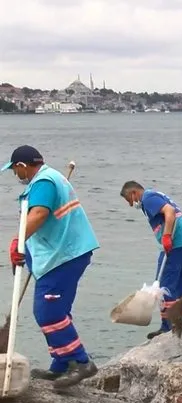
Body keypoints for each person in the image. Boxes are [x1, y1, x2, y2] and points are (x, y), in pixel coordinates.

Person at [3, 145, 99, 389]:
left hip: (63, 256)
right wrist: (27, 252)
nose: (16, 176)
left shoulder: (44, 181)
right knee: (58, 310)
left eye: (16, 170)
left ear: (23, 166)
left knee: (48, 311)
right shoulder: (51, 177)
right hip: (64, 253)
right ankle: (61, 363)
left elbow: (38, 215)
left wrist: (17, 240)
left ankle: (81, 361)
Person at [119, 181, 182, 339]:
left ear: (134, 192)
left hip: (177, 243)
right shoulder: (156, 195)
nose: (130, 204)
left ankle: (168, 327)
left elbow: (169, 211)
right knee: (180, 285)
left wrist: (167, 235)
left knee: (165, 286)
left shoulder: (148, 198)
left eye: (129, 199)